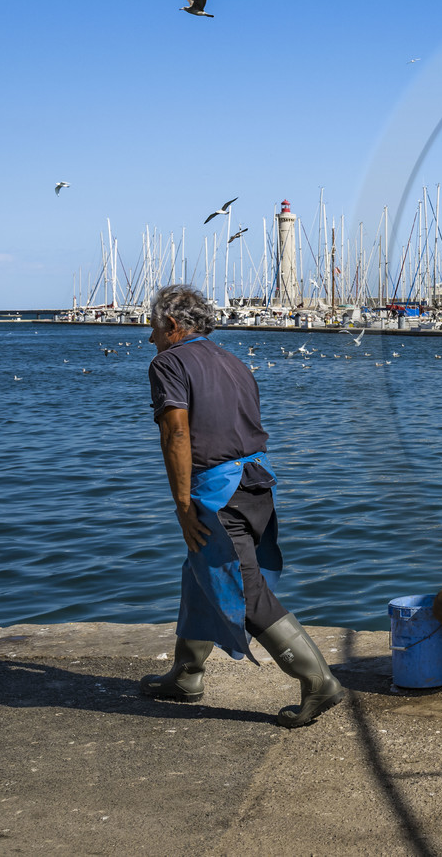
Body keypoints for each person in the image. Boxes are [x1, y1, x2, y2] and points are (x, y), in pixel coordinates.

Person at [138, 284, 344, 727]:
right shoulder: (233, 361)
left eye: (152, 327)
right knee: (201, 570)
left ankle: (318, 682)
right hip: (257, 482)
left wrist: (182, 504)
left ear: (172, 325)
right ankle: (186, 674)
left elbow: (176, 433)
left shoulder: (168, 362)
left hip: (219, 492)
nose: (150, 337)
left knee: (242, 590)